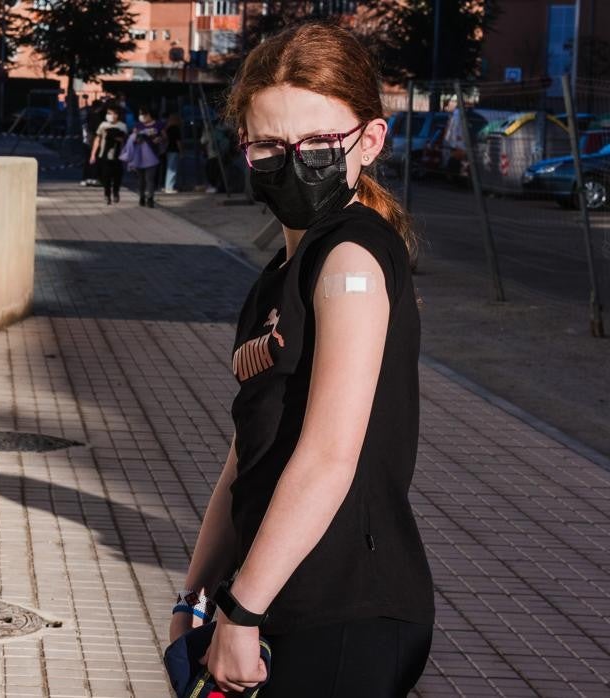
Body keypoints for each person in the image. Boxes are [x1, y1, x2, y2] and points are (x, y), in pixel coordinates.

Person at [168, 23, 433, 696]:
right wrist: (196, 592)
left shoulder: (351, 259)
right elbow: (248, 451)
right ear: (244, 148)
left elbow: (329, 456)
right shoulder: (281, 274)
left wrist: (241, 610)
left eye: (319, 144)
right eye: (270, 146)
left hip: (343, 612)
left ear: (369, 141)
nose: (294, 164)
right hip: (279, 600)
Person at [89, 104, 128, 205]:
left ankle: (116, 192)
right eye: (109, 113)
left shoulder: (122, 126)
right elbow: (97, 139)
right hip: (104, 154)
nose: (112, 115)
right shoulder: (103, 125)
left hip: (118, 155)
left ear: (118, 115)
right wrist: (93, 154)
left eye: (114, 113)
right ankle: (107, 194)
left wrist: (117, 138)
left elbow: (125, 141)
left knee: (117, 176)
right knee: (106, 176)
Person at [126, 106, 165, 207]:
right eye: (140, 114)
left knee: (150, 178)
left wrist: (159, 139)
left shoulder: (158, 124)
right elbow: (132, 139)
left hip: (153, 155)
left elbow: (165, 137)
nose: (142, 116)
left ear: (150, 114)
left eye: (144, 114)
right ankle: (142, 197)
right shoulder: (138, 125)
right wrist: (136, 138)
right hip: (139, 156)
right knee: (141, 179)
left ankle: (150, 198)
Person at [163, 112, 183, 193]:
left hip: (168, 149)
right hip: (174, 150)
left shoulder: (167, 128)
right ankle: (169, 187)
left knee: (169, 169)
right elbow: (178, 141)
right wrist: (181, 151)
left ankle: (167, 186)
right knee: (172, 169)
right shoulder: (176, 129)